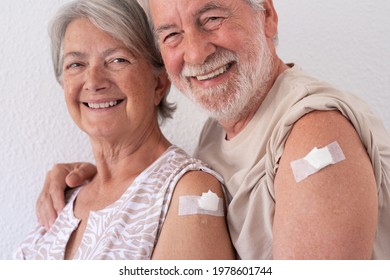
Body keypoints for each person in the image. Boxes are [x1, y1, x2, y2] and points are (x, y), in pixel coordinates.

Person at [35, 0, 390, 259]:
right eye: (172, 34)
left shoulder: (316, 137)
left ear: (266, 15)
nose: (195, 53)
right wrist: (106, 183)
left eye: (212, 19)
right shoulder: (216, 133)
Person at [15, 0, 235, 260]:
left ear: (159, 84)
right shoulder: (64, 195)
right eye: (76, 64)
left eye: (117, 60)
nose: (94, 81)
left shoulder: (189, 192)